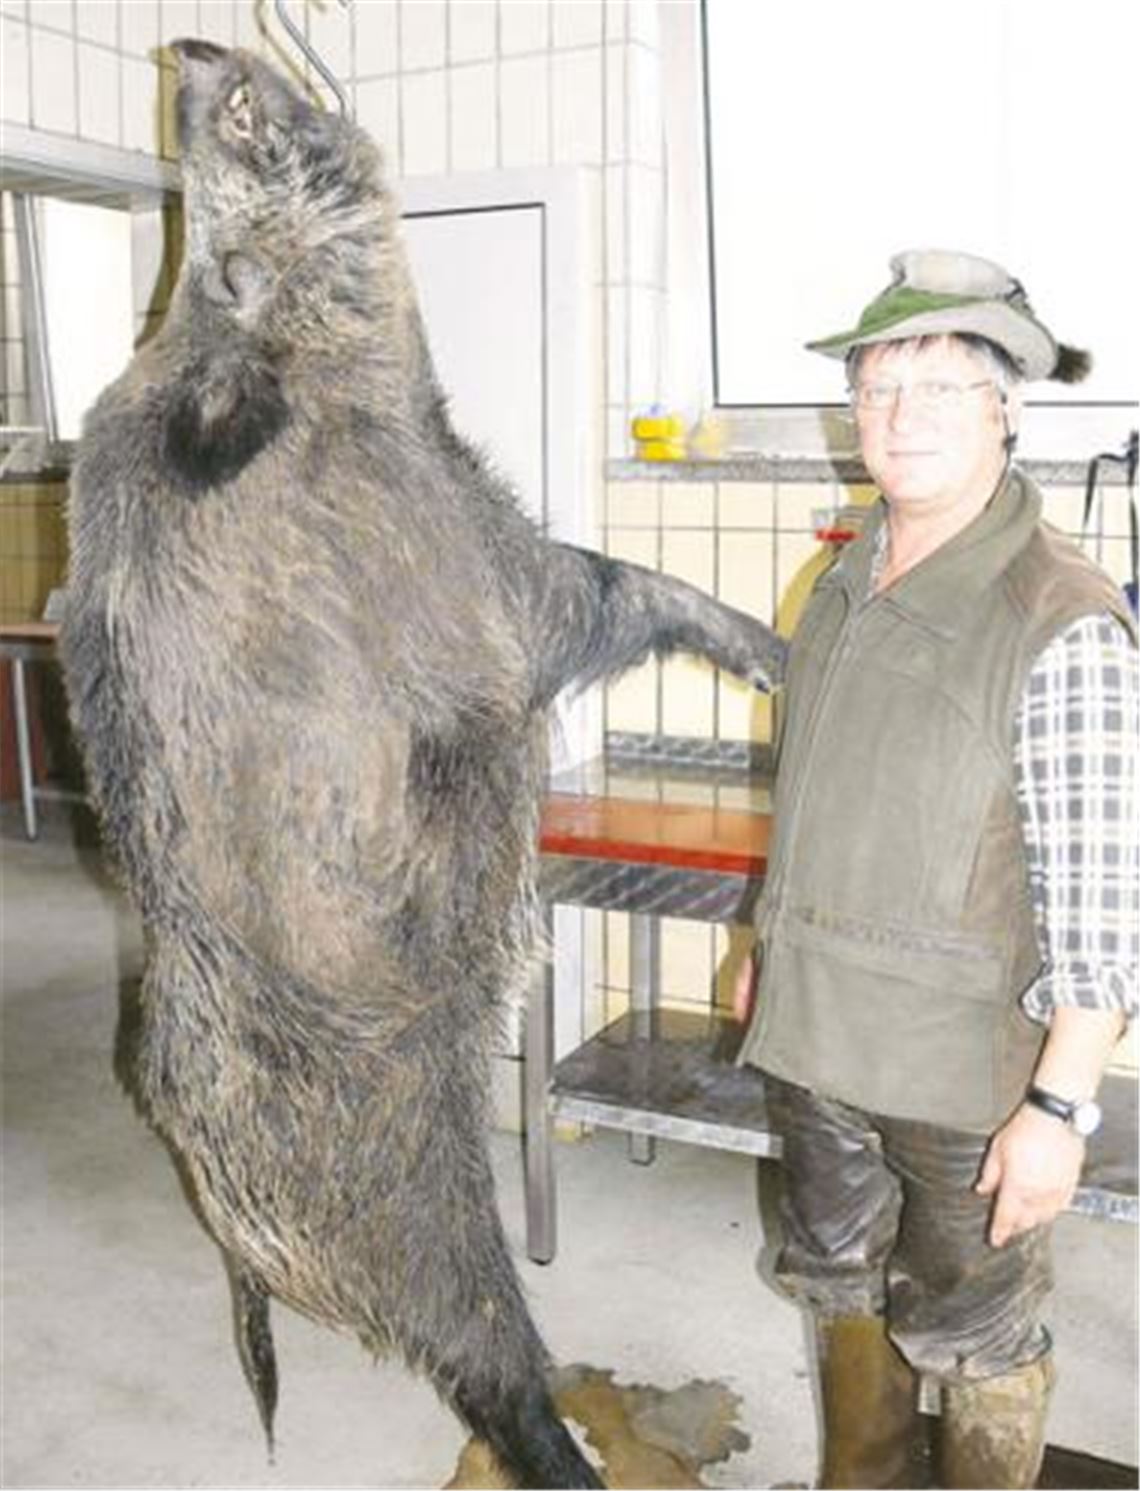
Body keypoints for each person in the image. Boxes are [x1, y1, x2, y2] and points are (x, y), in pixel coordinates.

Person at [734, 250, 1138, 1489]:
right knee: (840, 1291)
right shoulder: (845, 578)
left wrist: (1060, 1108)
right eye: (878, 387)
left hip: (961, 1077)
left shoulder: (1057, 613)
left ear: (1008, 409)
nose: (901, 416)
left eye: (943, 387)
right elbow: (810, 794)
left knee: (974, 1340)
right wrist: (765, 942)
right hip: (818, 1038)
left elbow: (1106, 902)